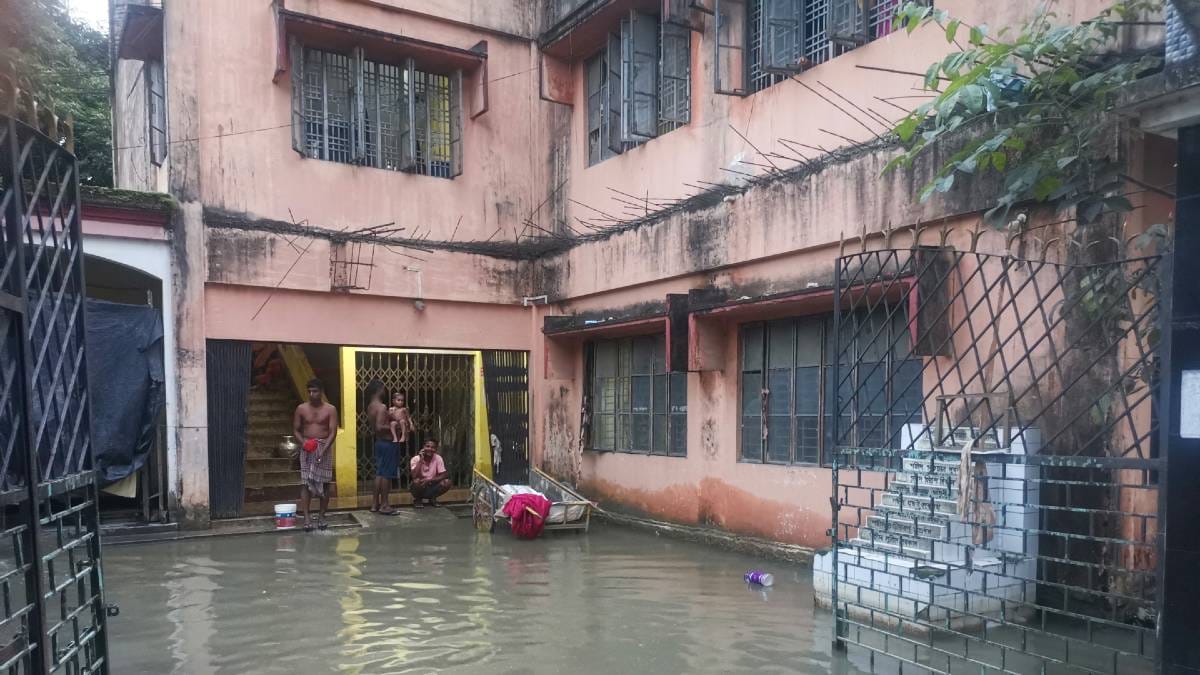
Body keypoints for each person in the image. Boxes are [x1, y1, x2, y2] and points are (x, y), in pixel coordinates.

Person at [294, 378, 337, 531]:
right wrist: (304, 443)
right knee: (306, 483)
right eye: (310, 391)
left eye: (315, 391)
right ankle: (306, 518)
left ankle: (321, 516)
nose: (312, 394)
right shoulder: (301, 408)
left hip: (323, 447)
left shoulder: (330, 409)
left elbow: (333, 432)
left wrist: (324, 450)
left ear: (321, 392)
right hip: (307, 448)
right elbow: (296, 430)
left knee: (325, 484)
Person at [366, 381, 398, 515]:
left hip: (379, 443)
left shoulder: (370, 406)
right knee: (386, 474)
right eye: (383, 388)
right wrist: (394, 426)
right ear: (379, 390)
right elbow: (379, 427)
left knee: (379, 473)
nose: (385, 391)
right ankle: (385, 504)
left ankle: (375, 504)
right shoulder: (382, 407)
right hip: (387, 443)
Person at [409, 439, 450, 508]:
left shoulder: (438, 458)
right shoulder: (415, 459)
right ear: (423, 447)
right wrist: (421, 460)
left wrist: (430, 480)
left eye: (433, 447)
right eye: (427, 446)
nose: (430, 449)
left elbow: (444, 474)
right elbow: (414, 476)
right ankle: (418, 500)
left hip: (432, 484)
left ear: (436, 449)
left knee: (447, 482)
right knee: (416, 482)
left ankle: (432, 498)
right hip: (420, 485)